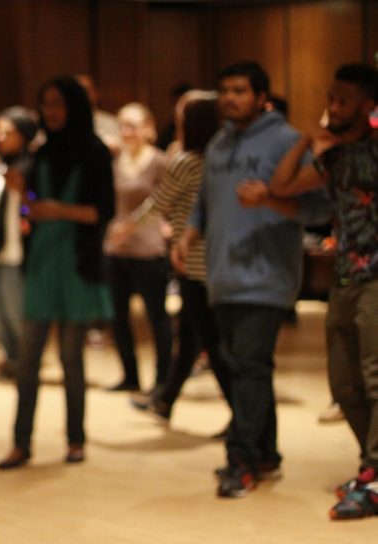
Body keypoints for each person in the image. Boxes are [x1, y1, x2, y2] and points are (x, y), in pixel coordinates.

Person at [176, 62, 329, 498]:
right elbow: (205, 201)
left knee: (246, 367)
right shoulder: (219, 143)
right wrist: (189, 232)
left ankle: (239, 460)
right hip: (222, 274)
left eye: (240, 90)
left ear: (262, 96)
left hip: (267, 275)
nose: (230, 98)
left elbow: (320, 209)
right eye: (224, 90)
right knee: (248, 369)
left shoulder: (287, 142)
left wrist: (274, 201)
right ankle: (265, 454)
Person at [258, 63, 378, 519]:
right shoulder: (335, 158)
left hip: (377, 280)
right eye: (331, 97)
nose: (333, 106)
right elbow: (283, 185)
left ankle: (374, 475)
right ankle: (373, 470)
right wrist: (308, 140)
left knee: (374, 377)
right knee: (344, 384)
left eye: (344, 99)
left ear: (369, 104)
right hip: (344, 277)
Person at [0, 77, 114, 470]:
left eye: (58, 103)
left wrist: (55, 209)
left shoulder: (95, 152)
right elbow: (34, 208)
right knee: (27, 359)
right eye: (45, 103)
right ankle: (20, 442)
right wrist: (23, 197)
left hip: (77, 263)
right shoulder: (41, 153)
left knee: (71, 359)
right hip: (43, 261)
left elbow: (102, 212)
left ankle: (76, 440)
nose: (51, 111)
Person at [117, 92, 231, 426]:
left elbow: (159, 203)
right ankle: (165, 400)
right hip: (215, 259)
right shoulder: (219, 158)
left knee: (209, 341)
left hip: (191, 261)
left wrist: (127, 228)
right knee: (193, 337)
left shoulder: (185, 161)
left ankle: (242, 417)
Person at [104, 102, 170, 393]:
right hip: (117, 248)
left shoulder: (159, 161)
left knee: (156, 316)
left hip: (148, 247)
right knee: (118, 317)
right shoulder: (116, 161)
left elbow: (164, 202)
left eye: (133, 125)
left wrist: (133, 226)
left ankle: (163, 379)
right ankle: (130, 375)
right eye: (123, 126)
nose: (127, 132)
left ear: (148, 127)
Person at [0, 106, 37, 382]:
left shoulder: (32, 165)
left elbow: (36, 205)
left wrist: (24, 191)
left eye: (7, 132)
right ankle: (10, 358)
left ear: (24, 135)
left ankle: (26, 361)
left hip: (16, 250)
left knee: (16, 311)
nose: (0, 136)